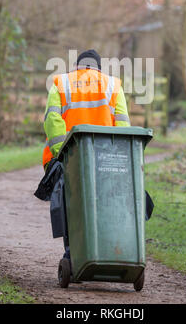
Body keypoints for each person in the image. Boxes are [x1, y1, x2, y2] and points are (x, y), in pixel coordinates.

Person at [43, 49, 130, 261]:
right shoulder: (112, 85)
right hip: (104, 160)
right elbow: (123, 125)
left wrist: (62, 153)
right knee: (104, 204)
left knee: (71, 206)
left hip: (70, 158)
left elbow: (52, 121)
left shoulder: (61, 83)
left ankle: (73, 254)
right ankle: (106, 251)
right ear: (98, 68)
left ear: (78, 66)